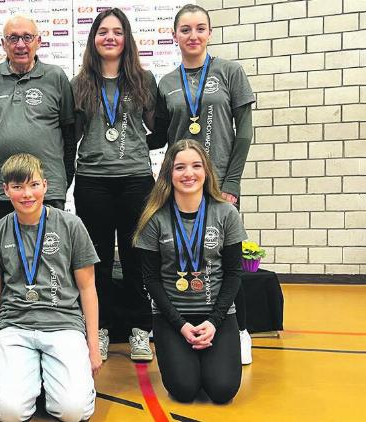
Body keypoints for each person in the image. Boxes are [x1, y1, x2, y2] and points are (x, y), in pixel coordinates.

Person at [149, 3, 255, 365]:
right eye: (185, 30)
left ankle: (237, 332)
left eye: (200, 29)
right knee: (181, 252)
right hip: (181, 183)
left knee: (227, 260)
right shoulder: (166, 83)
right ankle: (178, 323)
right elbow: (161, 136)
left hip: (219, 184)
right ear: (174, 36)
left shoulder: (230, 72)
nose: (193, 36)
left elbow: (245, 133)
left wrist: (232, 183)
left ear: (209, 33)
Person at [0, 153, 101, 422]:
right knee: (9, 413)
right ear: (5, 190)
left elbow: (88, 288)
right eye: (18, 186)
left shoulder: (71, 225)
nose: (27, 194)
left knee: (74, 412)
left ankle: (48, 383)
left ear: (45, 185)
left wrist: (92, 346)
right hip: (15, 326)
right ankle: (32, 380)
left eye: (33, 185)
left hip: (64, 324)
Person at [71, 7, 157, 362]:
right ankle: (101, 328)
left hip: (136, 180)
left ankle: (140, 329)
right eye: (103, 31)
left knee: (137, 258)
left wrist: (133, 147)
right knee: (99, 259)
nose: (110, 37)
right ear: (93, 39)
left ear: (127, 39)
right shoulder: (79, 85)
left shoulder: (144, 80)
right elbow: (71, 135)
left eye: (117, 32)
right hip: (93, 182)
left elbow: (159, 127)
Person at [133, 139, 245, 404]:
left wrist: (214, 322)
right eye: (180, 167)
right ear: (169, 174)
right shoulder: (154, 217)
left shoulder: (226, 213)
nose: (188, 174)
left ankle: (207, 357)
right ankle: (190, 359)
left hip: (217, 314)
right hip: (173, 317)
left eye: (196, 166)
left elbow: (234, 273)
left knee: (222, 390)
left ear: (206, 171)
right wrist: (181, 325)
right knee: (183, 390)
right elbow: (150, 279)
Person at [0, 13, 77, 228]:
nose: (20, 44)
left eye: (27, 37)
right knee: (1, 255)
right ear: (3, 44)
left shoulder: (56, 77)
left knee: (49, 254)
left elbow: (70, 133)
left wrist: (61, 178)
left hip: (46, 189)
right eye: (13, 38)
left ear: (39, 42)